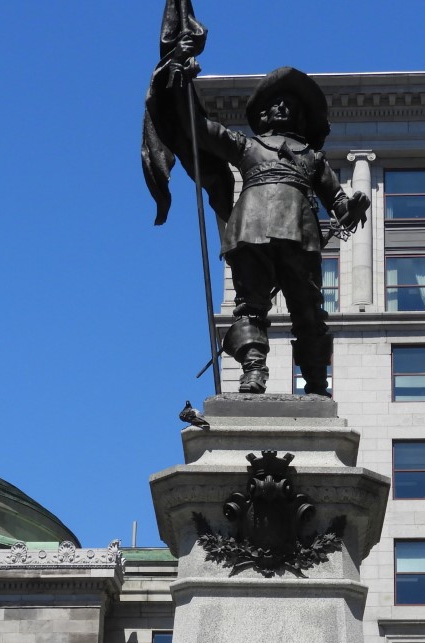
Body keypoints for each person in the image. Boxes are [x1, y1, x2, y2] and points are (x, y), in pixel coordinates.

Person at [162, 50, 369, 395]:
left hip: (300, 234)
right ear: (264, 113)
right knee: (250, 306)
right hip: (251, 229)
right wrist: (182, 83)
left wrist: (354, 206)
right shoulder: (247, 146)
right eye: (276, 103)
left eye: (290, 104)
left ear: (300, 116)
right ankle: (253, 370)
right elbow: (200, 130)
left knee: (309, 310)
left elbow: (338, 203)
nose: (283, 107)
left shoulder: (313, 158)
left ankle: (316, 380)